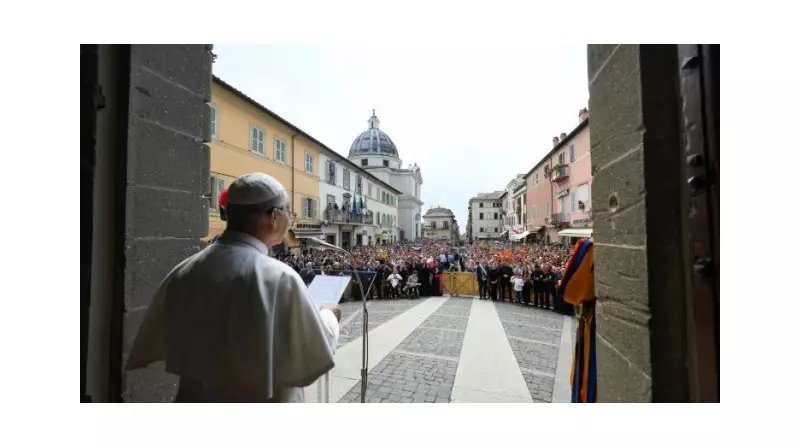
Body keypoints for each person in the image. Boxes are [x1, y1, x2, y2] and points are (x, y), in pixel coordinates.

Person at [125, 172, 341, 403]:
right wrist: (330, 315)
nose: (291, 220)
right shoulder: (280, 278)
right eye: (289, 213)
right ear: (274, 217)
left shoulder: (184, 270)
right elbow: (316, 350)